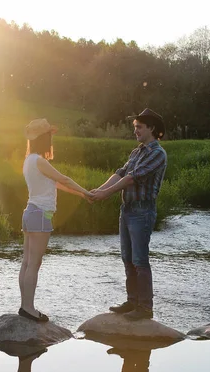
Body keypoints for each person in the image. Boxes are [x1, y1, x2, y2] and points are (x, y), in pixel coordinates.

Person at [90, 108, 167, 320]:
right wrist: (99, 189)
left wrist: (105, 194)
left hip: (143, 211)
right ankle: (132, 301)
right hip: (127, 210)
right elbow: (121, 173)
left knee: (140, 261)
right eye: (135, 127)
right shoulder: (137, 152)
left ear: (151, 128)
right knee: (127, 259)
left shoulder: (157, 154)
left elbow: (132, 178)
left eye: (139, 127)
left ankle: (145, 308)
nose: (136, 131)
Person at [19, 118, 92, 323]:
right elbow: (64, 179)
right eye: (49, 136)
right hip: (41, 214)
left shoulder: (29, 160)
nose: (52, 139)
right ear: (44, 138)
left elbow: (57, 185)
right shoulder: (40, 161)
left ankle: (25, 306)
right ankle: (28, 308)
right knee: (34, 263)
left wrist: (82, 195)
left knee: (26, 262)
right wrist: (87, 191)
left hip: (30, 212)